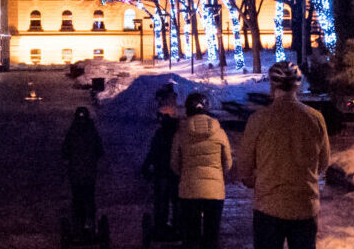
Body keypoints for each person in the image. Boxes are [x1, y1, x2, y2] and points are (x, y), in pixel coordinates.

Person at [237, 61, 329, 249]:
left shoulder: (259, 120)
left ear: (272, 86)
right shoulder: (314, 118)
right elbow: (324, 161)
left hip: (268, 207)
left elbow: (244, 164)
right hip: (304, 205)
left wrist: (255, 180)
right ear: (298, 85)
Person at [172, 92, 231, 249]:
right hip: (214, 192)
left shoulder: (181, 133)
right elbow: (228, 162)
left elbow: (174, 163)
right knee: (211, 239)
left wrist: (185, 175)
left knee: (191, 238)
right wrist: (217, 176)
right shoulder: (219, 132)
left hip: (189, 190)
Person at [61, 106, 104, 231]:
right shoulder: (92, 132)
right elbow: (100, 151)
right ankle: (89, 223)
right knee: (89, 197)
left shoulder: (72, 132)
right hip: (88, 173)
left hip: (76, 173)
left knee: (78, 198)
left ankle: (79, 223)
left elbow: (64, 151)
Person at [140, 110, 180, 239]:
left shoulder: (160, 135)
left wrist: (146, 167)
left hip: (161, 172)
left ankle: (160, 227)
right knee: (177, 201)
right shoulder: (178, 136)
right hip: (176, 174)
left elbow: (153, 152)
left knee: (161, 201)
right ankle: (177, 226)